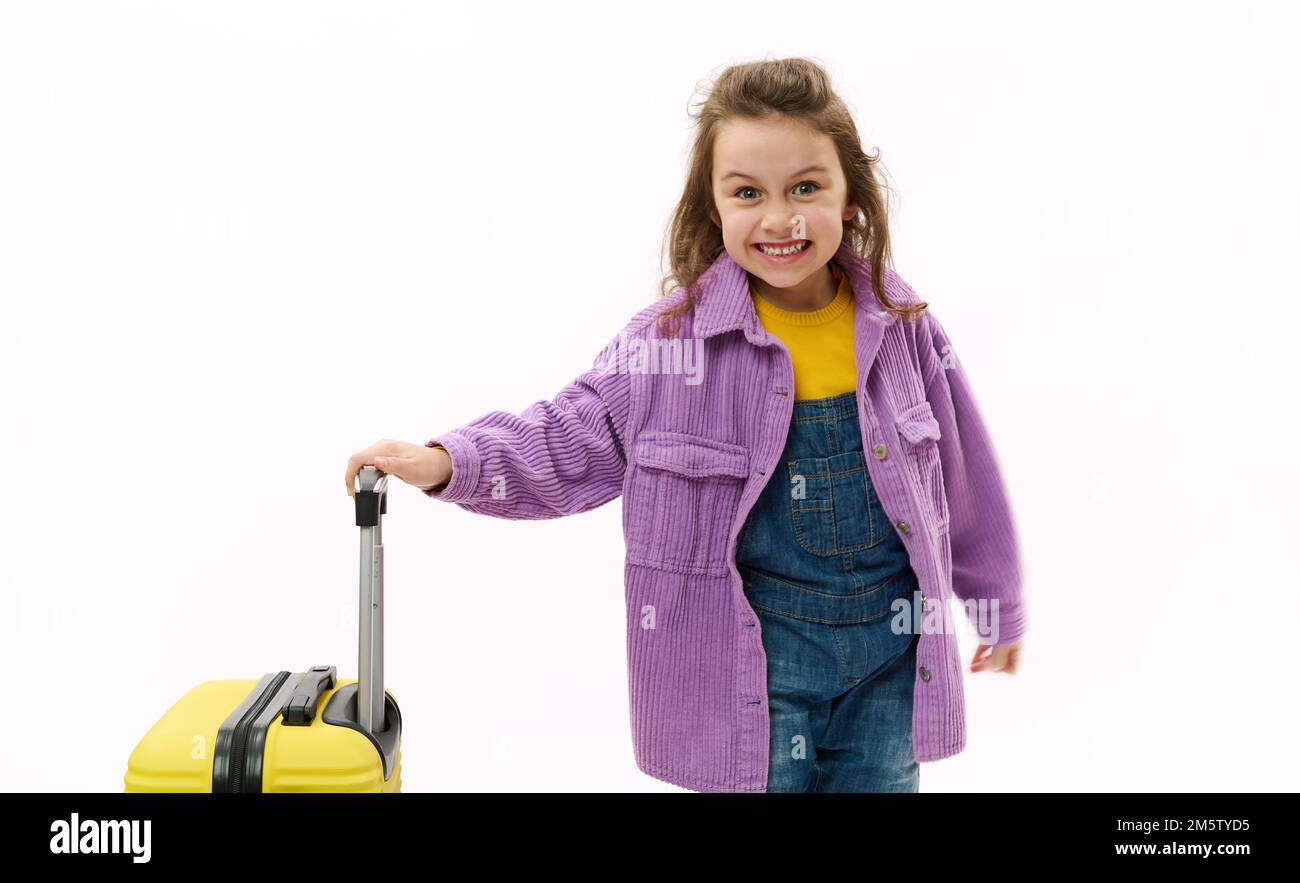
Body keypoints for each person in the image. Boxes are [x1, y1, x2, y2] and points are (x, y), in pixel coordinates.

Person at [344, 57, 1025, 793]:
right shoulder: (670, 346)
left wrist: (998, 603)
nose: (779, 218)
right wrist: (447, 461)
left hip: (891, 664)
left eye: (806, 187)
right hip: (756, 666)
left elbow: (964, 471)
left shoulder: (899, 328)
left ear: (852, 196)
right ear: (712, 209)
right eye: (747, 193)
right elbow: (567, 434)